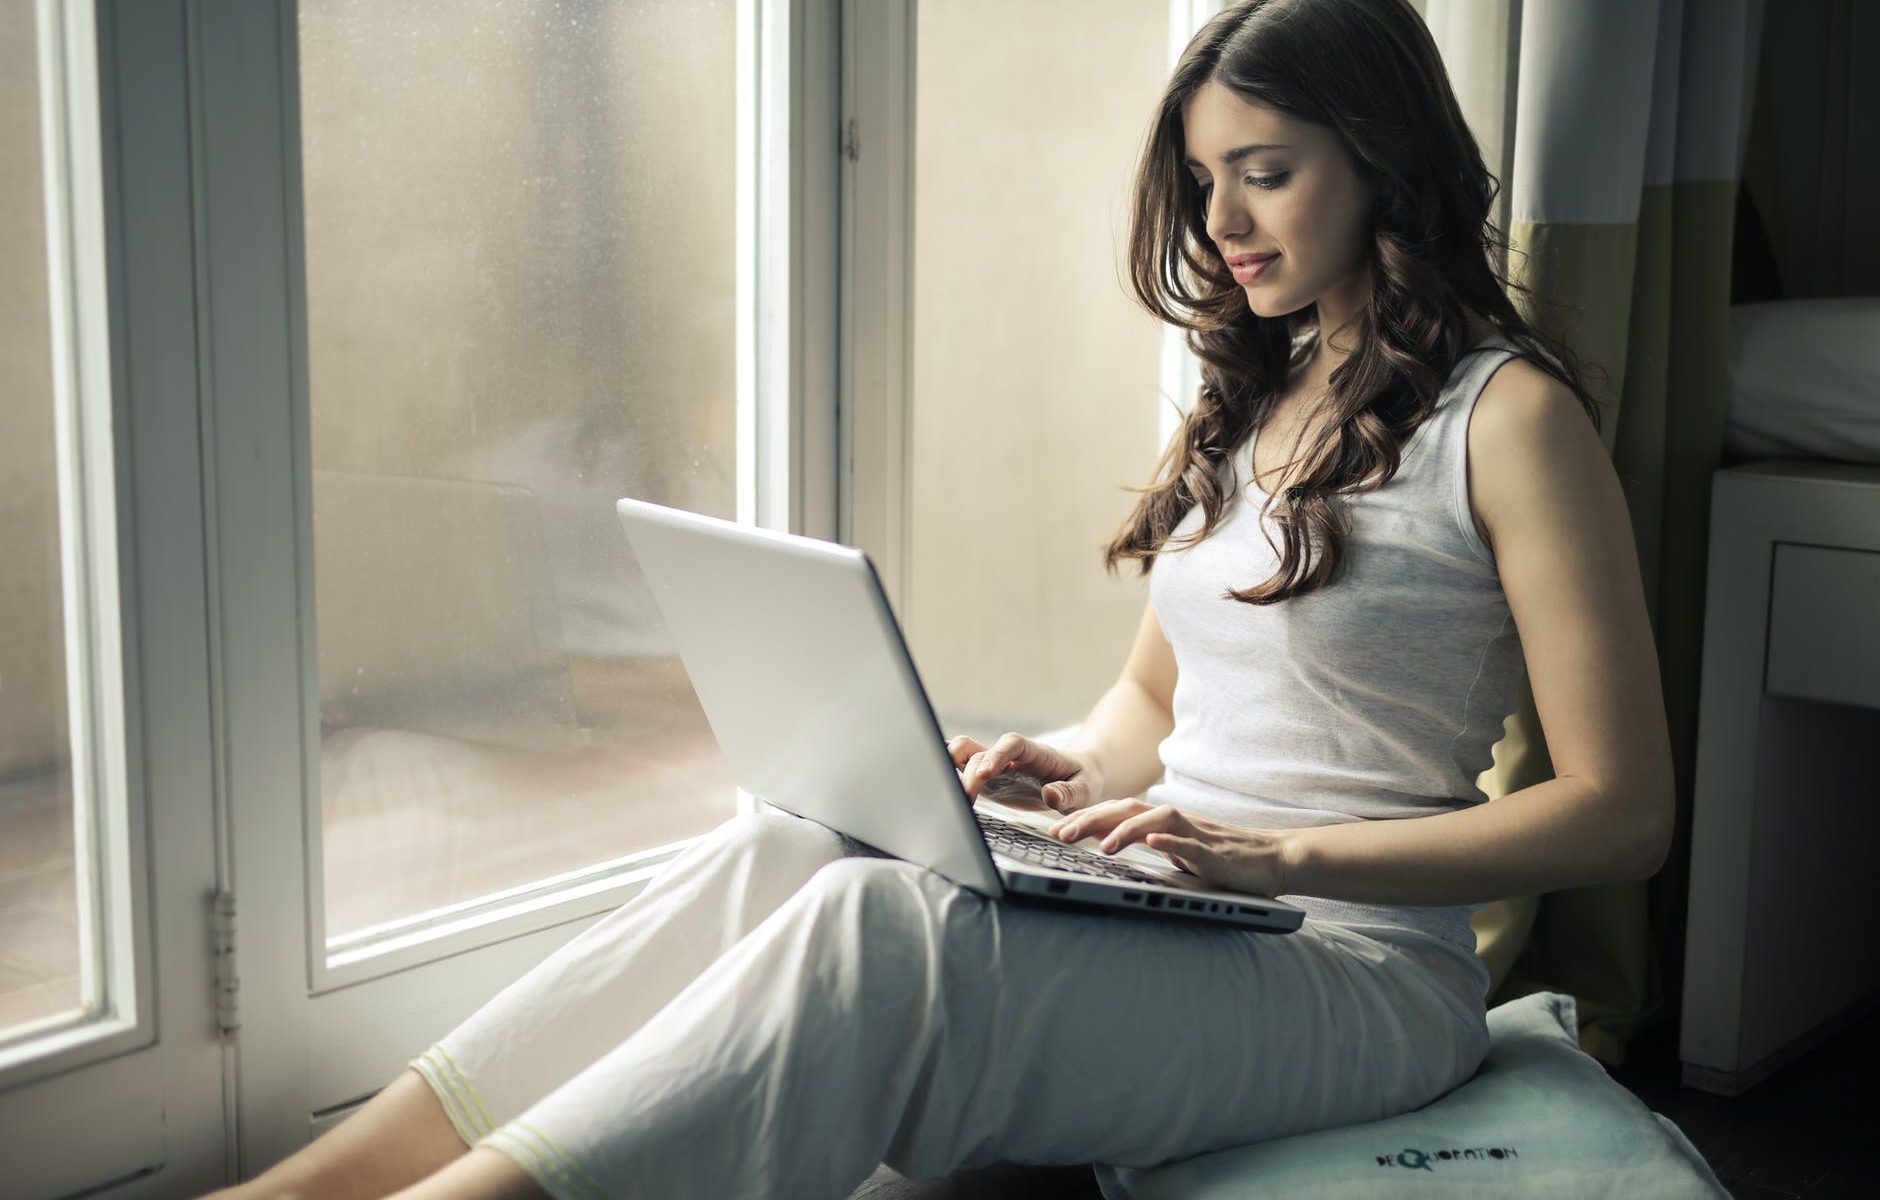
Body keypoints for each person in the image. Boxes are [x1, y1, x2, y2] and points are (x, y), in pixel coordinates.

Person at [205, 1, 1673, 1197]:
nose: (1221, 218)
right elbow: (1156, 704)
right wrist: (1067, 772)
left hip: (1362, 973)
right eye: (1205, 175)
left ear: (1382, 157)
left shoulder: (1512, 419)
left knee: (884, 932)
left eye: (1266, 171)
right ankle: (314, 1186)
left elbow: (1623, 810)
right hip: (1194, 899)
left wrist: (1279, 852)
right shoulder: (1258, 395)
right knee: (797, 843)